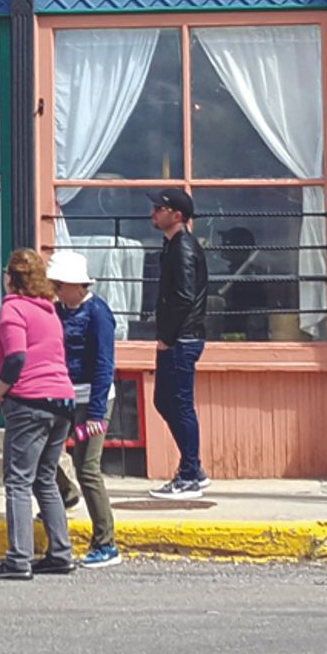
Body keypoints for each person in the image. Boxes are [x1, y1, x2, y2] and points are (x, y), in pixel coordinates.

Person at [0, 247, 80, 579]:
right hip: (62, 402)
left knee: (17, 481)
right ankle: (60, 552)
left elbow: (15, 358)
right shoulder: (49, 311)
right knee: (45, 478)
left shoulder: (14, 309)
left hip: (30, 402)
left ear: (11, 278)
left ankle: (18, 559)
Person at [50, 248, 122, 567]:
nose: (55, 290)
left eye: (60, 284)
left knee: (87, 467)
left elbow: (105, 365)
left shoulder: (98, 314)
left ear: (78, 285)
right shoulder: (58, 311)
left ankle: (106, 543)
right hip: (63, 397)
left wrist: (94, 414)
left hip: (94, 400)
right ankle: (65, 495)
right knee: (45, 454)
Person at [141, 188, 213, 500]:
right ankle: (193, 469)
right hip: (177, 338)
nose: (153, 212)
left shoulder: (183, 247)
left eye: (160, 208)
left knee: (179, 403)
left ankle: (190, 475)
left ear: (177, 216)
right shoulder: (172, 246)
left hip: (182, 339)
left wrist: (167, 338)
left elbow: (184, 297)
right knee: (164, 401)